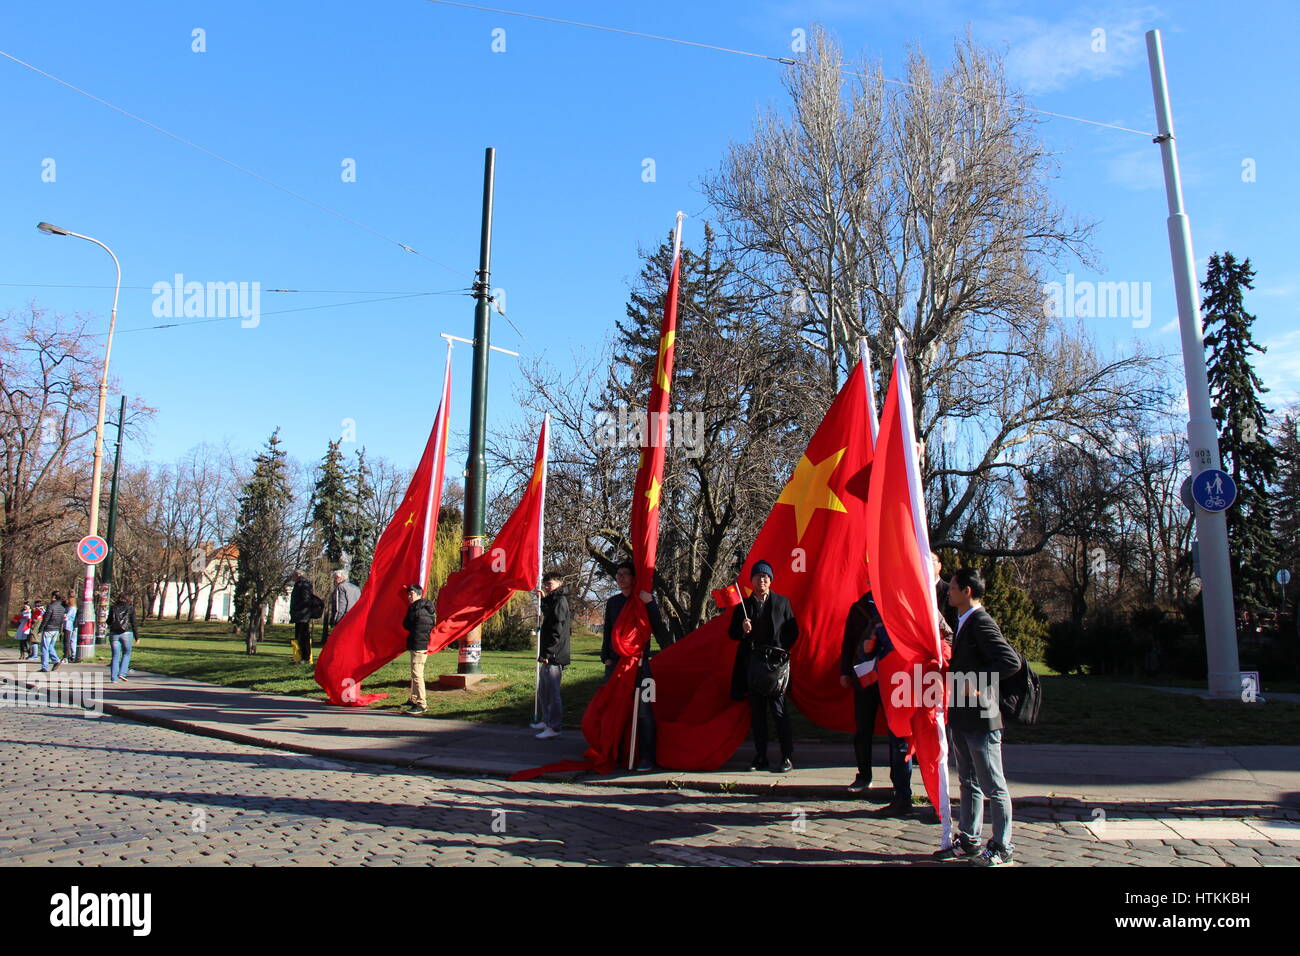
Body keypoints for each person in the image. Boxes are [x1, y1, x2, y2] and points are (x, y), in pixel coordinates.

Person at [938, 567, 1022, 867]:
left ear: (967, 592)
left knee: (993, 785)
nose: (948, 592)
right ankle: (969, 839)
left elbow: (1010, 661)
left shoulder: (981, 622)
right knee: (968, 781)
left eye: (952, 588)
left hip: (982, 717)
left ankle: (1002, 845)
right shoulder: (963, 621)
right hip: (962, 714)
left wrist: (980, 681)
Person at [840, 590, 914, 815]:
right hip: (865, 677)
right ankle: (864, 775)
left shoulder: (898, 603)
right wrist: (845, 671)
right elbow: (849, 642)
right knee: (863, 728)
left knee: (897, 733)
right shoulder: (859, 607)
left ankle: (899, 784)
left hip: (892, 677)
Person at [729, 560, 799, 773]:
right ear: (752, 581)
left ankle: (786, 756)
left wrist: (781, 652)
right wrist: (743, 629)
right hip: (753, 666)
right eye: (758, 576)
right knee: (757, 715)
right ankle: (760, 756)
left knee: (779, 712)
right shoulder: (744, 605)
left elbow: (792, 631)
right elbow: (732, 634)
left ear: (771, 580)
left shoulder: (782, 603)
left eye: (766, 577)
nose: (762, 580)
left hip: (775, 667)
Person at [601, 560, 671, 770]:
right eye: (618, 574)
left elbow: (658, 628)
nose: (620, 578)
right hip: (617, 665)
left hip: (641, 665)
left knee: (644, 711)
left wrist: (650, 603)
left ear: (633, 578)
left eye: (625, 574)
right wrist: (606, 657)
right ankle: (616, 752)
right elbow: (608, 631)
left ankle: (647, 756)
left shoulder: (643, 601)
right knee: (614, 708)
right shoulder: (613, 603)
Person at [532, 571, 571, 739]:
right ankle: (546, 720)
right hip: (550, 652)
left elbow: (556, 628)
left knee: (553, 692)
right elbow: (549, 614)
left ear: (559, 583)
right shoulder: (555, 599)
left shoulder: (561, 600)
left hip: (555, 654)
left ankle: (554, 726)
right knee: (544, 690)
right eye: (546, 583)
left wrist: (549, 652)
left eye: (550, 583)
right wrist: (542, 599)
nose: (547, 586)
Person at [402, 584, 437, 716]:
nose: (409, 597)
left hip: (417, 644)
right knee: (416, 672)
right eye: (408, 594)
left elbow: (406, 624)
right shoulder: (429, 609)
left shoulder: (414, 608)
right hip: (424, 643)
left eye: (411, 594)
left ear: (418, 594)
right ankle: (414, 698)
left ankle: (422, 704)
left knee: (417, 674)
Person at [323, 569, 361, 644]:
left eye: (335, 577)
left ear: (341, 578)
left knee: (339, 643)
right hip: (355, 618)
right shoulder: (356, 588)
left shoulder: (340, 587)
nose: (334, 579)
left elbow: (339, 606)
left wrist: (335, 620)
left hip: (343, 619)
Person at [107, 593, 138, 683]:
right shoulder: (130, 608)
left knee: (115, 655)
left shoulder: (113, 608)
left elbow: (109, 621)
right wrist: (137, 636)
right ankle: (122, 673)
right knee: (127, 653)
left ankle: (114, 678)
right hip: (127, 633)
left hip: (114, 634)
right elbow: (134, 623)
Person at [288, 571, 316, 664]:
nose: (292, 577)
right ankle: (299, 657)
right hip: (300, 614)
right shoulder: (299, 584)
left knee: (303, 636)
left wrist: (297, 608)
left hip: (302, 614)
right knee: (299, 636)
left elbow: (306, 599)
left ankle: (305, 657)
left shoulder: (303, 585)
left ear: (298, 575)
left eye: (293, 575)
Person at [39, 592, 67, 672]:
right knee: (51, 646)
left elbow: (46, 619)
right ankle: (56, 660)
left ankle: (45, 666)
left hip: (48, 628)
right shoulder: (62, 608)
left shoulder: (50, 606)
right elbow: (62, 620)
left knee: (44, 647)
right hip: (56, 629)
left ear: (54, 597)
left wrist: (41, 628)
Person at [62, 598, 78, 663]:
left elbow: (67, 617)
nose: (67, 601)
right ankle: (72, 655)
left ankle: (67, 656)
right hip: (70, 625)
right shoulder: (69, 608)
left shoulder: (72, 608)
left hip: (69, 626)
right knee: (71, 641)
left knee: (68, 641)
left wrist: (63, 616)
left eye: (68, 600)